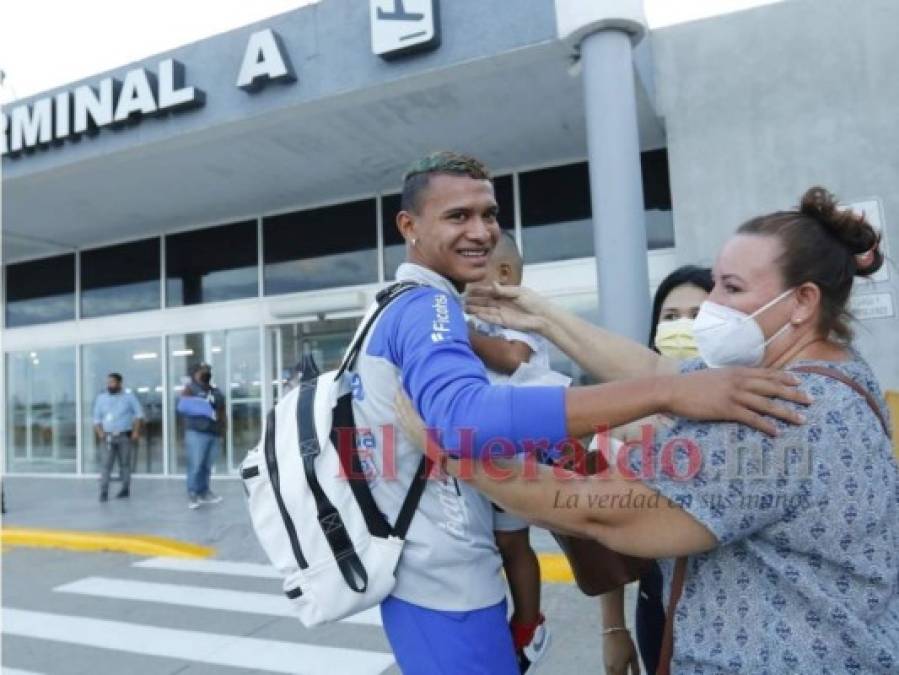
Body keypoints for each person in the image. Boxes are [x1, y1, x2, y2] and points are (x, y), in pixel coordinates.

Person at [353, 150, 807, 674]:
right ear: (408, 225)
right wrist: (666, 396)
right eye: (458, 216)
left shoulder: (413, 305)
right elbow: (466, 421)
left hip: (432, 568)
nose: (481, 231)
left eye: (489, 214)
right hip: (443, 575)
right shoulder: (425, 305)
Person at [440, 186, 898, 673]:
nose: (712, 303)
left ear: (803, 300)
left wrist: (453, 447)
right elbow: (659, 374)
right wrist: (540, 316)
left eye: (732, 288)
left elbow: (604, 512)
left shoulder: (781, 415)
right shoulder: (827, 374)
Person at [601, 265, 713, 675]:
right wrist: (612, 626)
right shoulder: (627, 416)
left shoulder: (752, 402)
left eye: (697, 315)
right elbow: (601, 524)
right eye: (670, 317)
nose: (682, 327)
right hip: (659, 612)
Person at [469, 232, 560, 672]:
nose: (462, 281)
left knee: (513, 542)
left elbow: (512, 358)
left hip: (513, 458)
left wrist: (460, 332)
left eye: (472, 268)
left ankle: (528, 620)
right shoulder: (483, 324)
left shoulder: (519, 319)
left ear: (503, 274)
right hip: (482, 455)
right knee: (488, 542)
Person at [177, 362, 225, 510]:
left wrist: (223, 429)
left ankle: (204, 491)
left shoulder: (215, 390)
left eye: (208, 370)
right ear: (195, 373)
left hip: (214, 432)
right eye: (203, 371)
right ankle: (193, 493)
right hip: (197, 433)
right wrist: (203, 408)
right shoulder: (189, 389)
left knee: (207, 465)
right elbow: (183, 407)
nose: (206, 373)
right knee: (196, 465)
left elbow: (222, 410)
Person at [92, 372, 144, 502]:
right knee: (106, 465)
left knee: (125, 464)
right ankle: (103, 492)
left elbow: (139, 415)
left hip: (124, 436)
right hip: (107, 437)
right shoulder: (101, 398)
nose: (109, 385)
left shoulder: (129, 397)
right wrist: (100, 432)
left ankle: (125, 489)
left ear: (119, 383)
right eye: (108, 382)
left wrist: (136, 432)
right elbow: (96, 418)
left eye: (112, 382)